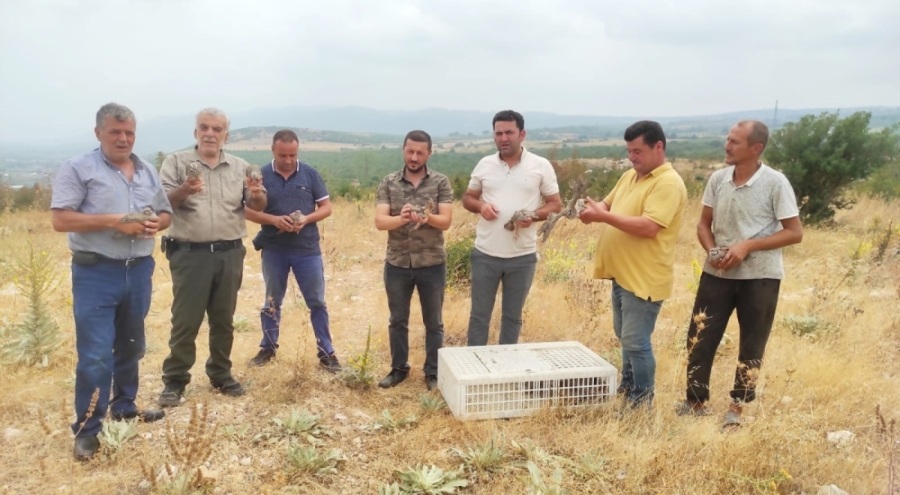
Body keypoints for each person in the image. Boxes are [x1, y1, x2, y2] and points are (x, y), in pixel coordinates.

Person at [51, 103, 172, 460]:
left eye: (129, 132)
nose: (123, 138)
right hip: (95, 272)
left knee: (132, 345)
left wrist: (156, 224)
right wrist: (115, 221)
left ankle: (124, 406)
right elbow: (61, 219)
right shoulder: (78, 168)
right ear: (99, 132)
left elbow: (165, 212)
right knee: (95, 355)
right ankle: (87, 429)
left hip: (138, 269)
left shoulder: (147, 169)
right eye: (116, 132)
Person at [678, 120, 803, 426]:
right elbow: (703, 224)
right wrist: (711, 250)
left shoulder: (775, 183)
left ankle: (737, 408)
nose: (727, 145)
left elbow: (794, 233)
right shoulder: (718, 179)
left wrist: (748, 246)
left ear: (755, 148)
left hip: (760, 277)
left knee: (752, 343)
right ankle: (695, 403)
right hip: (716, 274)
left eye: (734, 141)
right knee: (700, 336)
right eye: (727, 139)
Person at [157, 108, 267, 407]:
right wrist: (185, 188)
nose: (209, 133)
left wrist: (256, 194)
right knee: (186, 321)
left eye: (216, 129)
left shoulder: (240, 166)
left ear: (225, 135)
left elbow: (256, 202)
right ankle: (175, 380)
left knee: (224, 320)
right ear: (195, 132)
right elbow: (161, 202)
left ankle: (220, 374)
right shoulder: (177, 162)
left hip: (230, 253)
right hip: (190, 254)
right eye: (204, 127)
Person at [579, 120, 687, 407]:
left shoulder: (668, 183)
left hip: (644, 277)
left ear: (659, 147)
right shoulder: (630, 176)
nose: (632, 157)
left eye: (637, 151)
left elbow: (649, 226)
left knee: (637, 343)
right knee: (626, 339)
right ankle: (628, 390)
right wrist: (594, 211)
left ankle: (642, 402)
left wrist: (603, 217)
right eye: (629, 151)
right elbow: (607, 204)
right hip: (621, 274)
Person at [243, 130, 341, 372]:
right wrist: (274, 220)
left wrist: (306, 219)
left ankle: (326, 352)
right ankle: (268, 347)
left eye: (292, 155)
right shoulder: (262, 176)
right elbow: (246, 211)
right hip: (274, 249)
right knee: (272, 300)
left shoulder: (310, 174)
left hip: (307, 249)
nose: (288, 160)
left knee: (317, 302)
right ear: (273, 151)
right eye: (282, 155)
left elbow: (326, 207)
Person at [462, 110, 561, 346]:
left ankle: (506, 369)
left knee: (512, 318)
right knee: (479, 317)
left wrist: (534, 216)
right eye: (498, 133)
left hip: (522, 256)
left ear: (522, 134)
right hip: (485, 253)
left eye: (509, 132)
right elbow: (467, 198)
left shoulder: (540, 165)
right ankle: (475, 368)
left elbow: (555, 204)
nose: (503, 138)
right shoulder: (484, 165)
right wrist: (480, 205)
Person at [375, 130, 453, 391]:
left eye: (420, 152)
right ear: (403, 150)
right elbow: (380, 221)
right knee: (398, 320)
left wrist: (426, 218)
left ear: (429, 153)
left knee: (434, 322)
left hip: (431, 263)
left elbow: (446, 221)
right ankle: (398, 369)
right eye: (410, 151)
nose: (414, 157)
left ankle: (433, 372)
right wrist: (403, 218)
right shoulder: (388, 182)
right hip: (397, 263)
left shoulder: (441, 183)